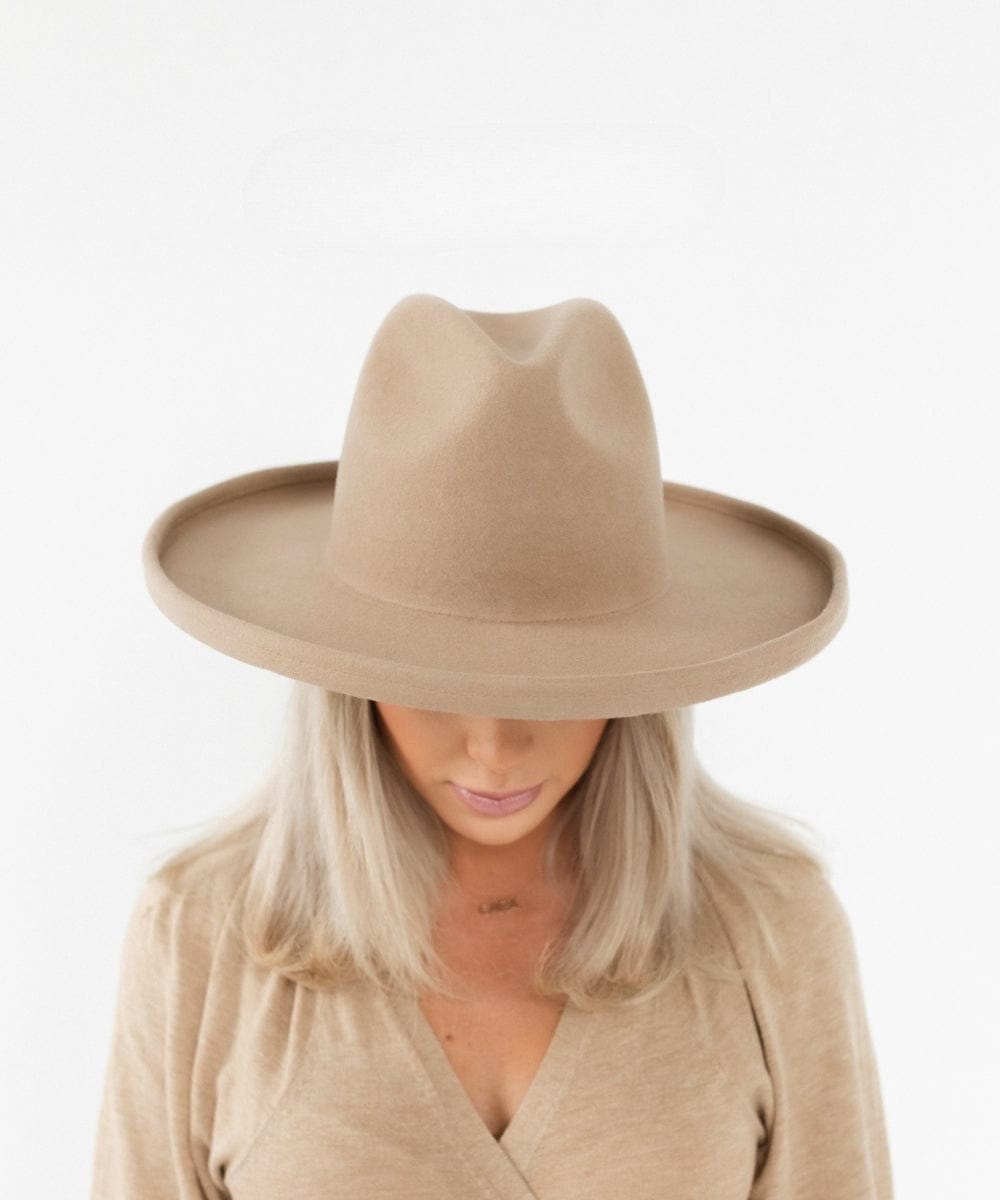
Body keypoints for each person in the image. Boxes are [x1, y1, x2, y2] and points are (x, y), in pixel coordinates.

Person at [90, 293, 893, 1198]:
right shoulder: (200, 940)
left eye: (555, 684)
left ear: (641, 682)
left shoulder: (772, 934)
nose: (495, 749)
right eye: (436, 682)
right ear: (344, 674)